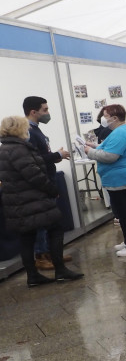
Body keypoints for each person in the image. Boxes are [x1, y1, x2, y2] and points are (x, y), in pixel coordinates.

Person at [0, 116, 83, 286]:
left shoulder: (4, 149)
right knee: (56, 229)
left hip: (16, 202)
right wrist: (52, 190)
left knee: (26, 237)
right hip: (33, 199)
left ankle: (32, 276)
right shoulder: (19, 149)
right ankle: (60, 270)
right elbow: (34, 175)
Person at [85, 104, 126, 257]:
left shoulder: (120, 133)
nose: (103, 119)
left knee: (125, 213)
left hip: (124, 181)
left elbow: (110, 156)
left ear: (114, 118)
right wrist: (95, 146)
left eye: (105, 116)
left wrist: (90, 152)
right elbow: (113, 148)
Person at [24, 96, 72, 271]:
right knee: (42, 222)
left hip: (48, 179)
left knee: (50, 221)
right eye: (45, 110)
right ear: (33, 112)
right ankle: (41, 256)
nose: (48, 113)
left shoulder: (37, 130)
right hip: (40, 184)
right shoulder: (29, 132)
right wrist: (57, 155)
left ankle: (50, 252)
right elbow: (32, 161)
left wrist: (55, 156)